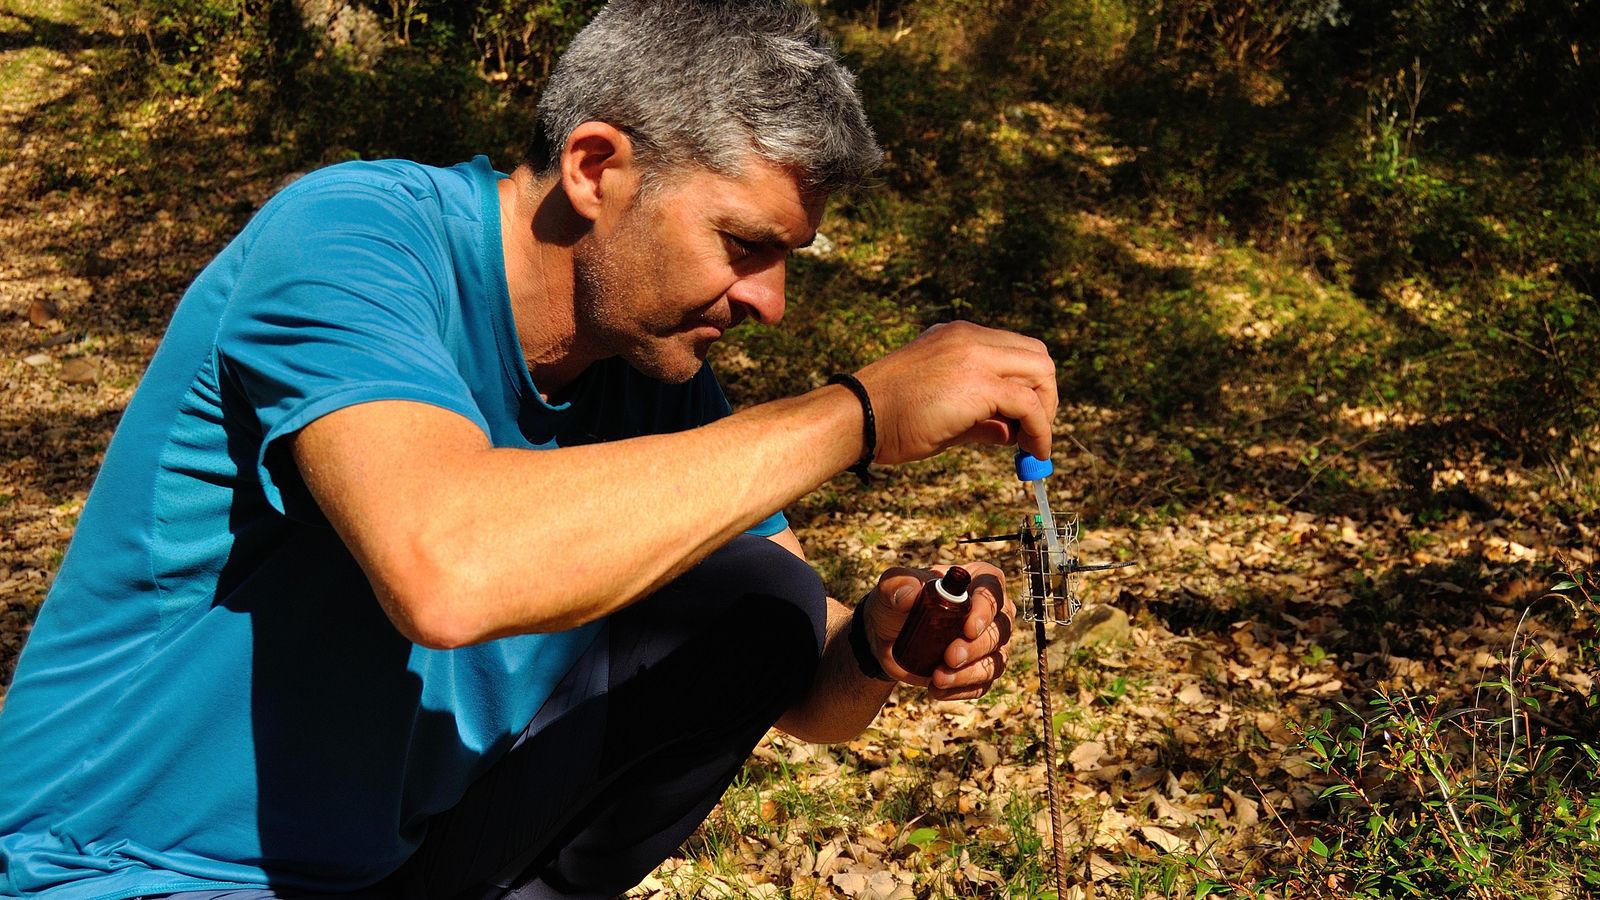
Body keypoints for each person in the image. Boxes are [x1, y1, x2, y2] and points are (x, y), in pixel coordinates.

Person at [0, 1, 1057, 897]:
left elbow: (800, 678)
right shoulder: (354, 238)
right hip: (122, 864)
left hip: (393, 870)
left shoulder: (650, 374)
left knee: (760, 604)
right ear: (597, 166)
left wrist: (877, 644)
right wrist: (856, 412)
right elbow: (446, 569)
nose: (771, 303)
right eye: (744, 247)